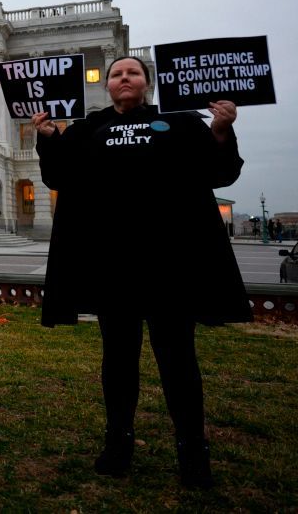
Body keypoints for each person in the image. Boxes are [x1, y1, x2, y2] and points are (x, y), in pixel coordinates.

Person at [32, 55, 251, 489]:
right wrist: (47, 138)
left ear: (146, 82)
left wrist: (222, 130)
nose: (124, 78)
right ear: (108, 85)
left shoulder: (182, 122)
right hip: (112, 265)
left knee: (178, 360)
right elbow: (58, 176)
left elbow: (220, 174)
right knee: (118, 359)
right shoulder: (88, 128)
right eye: (117, 74)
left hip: (171, 264)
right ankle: (118, 442)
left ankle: (193, 450)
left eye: (132, 72)